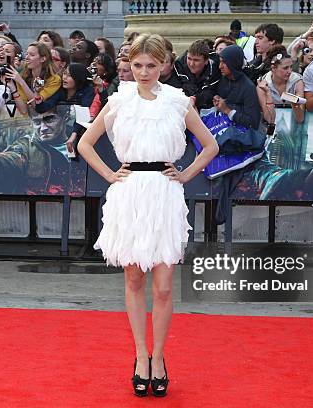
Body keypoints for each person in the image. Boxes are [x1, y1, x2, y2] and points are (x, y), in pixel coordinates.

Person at [77, 33, 218, 398]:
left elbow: (211, 145)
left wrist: (185, 174)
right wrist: (110, 175)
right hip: (129, 192)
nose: (143, 72)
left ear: (164, 65)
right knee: (134, 279)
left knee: (165, 284)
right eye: (137, 65)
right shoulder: (118, 100)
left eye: (151, 66)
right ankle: (141, 356)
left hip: (165, 193)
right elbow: (84, 144)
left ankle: (160, 356)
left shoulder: (177, 102)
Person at [214, 45, 262, 129]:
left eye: (224, 62)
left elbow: (253, 123)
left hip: (239, 136)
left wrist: (227, 110)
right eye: (220, 62)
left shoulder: (248, 88)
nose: (220, 66)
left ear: (233, 63)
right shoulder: (223, 80)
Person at [257, 45, 305, 127]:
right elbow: (269, 119)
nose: (289, 71)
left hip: (293, 126)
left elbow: (300, 119)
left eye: (291, 67)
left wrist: (295, 105)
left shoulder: (297, 81)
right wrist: (268, 94)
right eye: (285, 68)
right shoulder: (262, 85)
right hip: (271, 128)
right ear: (273, 68)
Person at [174, 39, 221, 109]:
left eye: (196, 60)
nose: (191, 64)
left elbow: (210, 92)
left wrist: (195, 99)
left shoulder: (216, 68)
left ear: (206, 61)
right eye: (189, 59)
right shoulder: (179, 66)